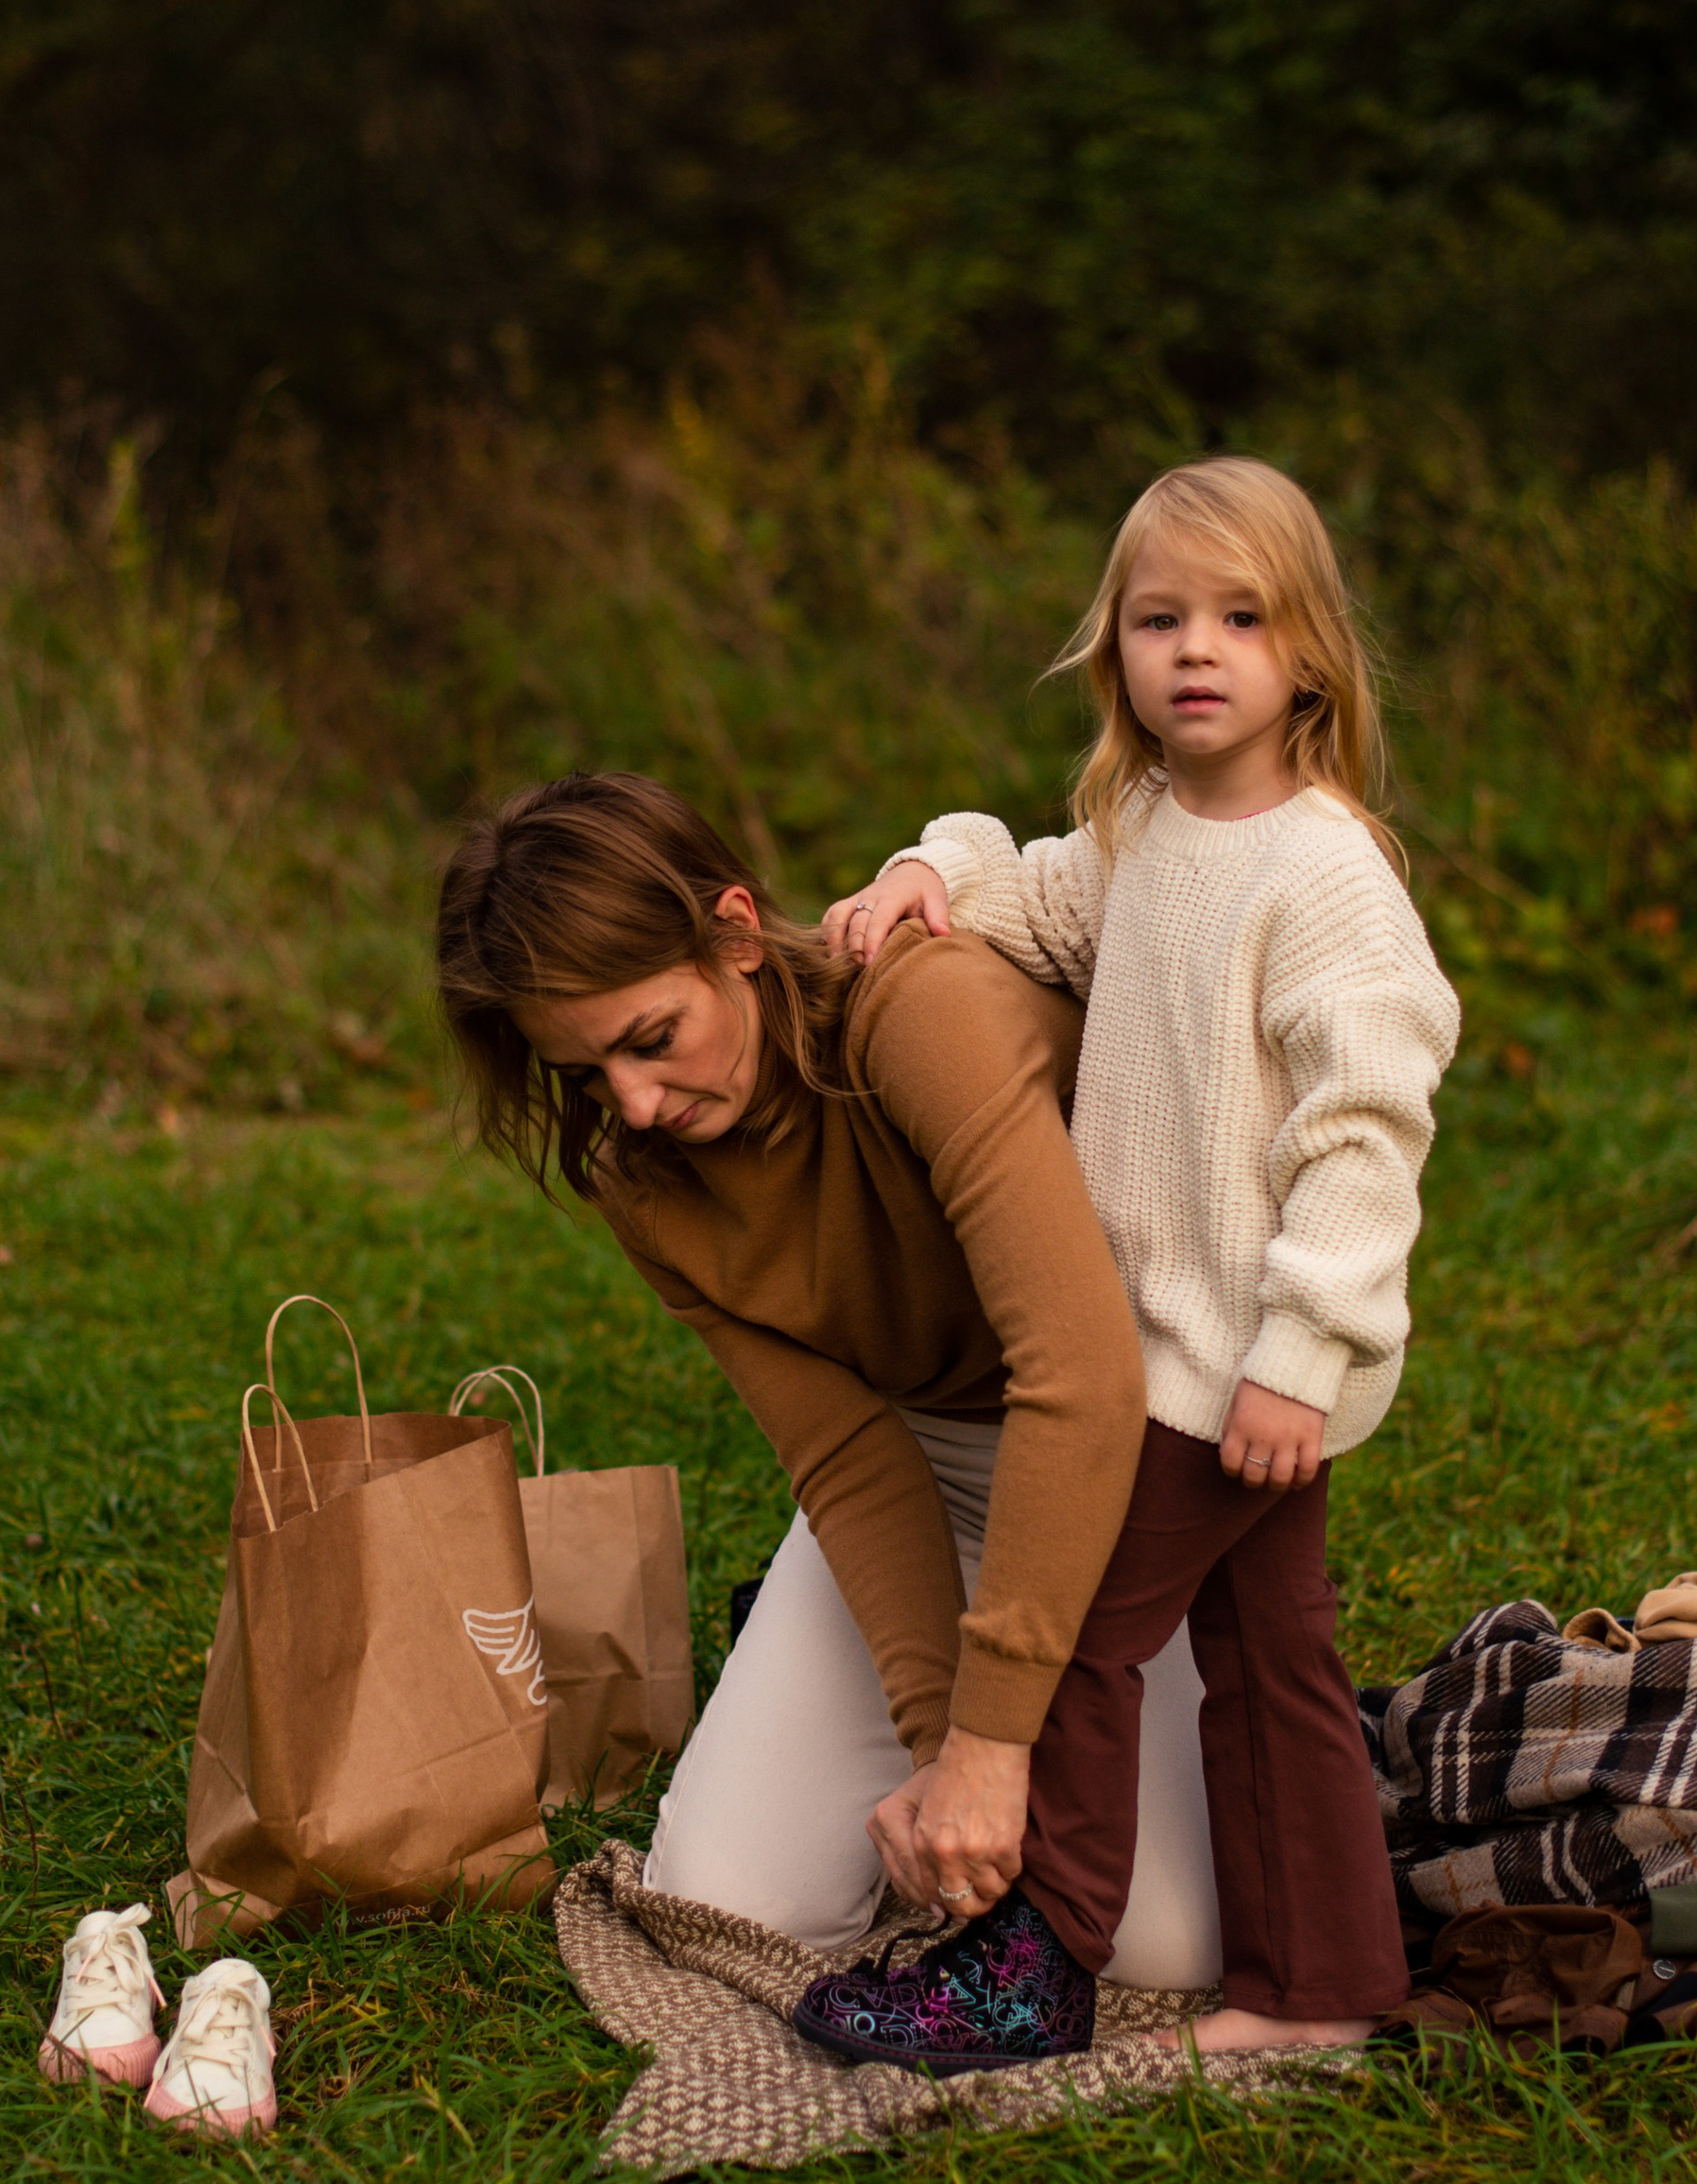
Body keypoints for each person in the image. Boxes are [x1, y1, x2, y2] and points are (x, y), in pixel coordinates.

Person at [800, 456, 1459, 2068]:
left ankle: (1038, 1959)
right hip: (1174, 1348)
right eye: (1161, 618)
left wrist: (1302, 1355)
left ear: (1308, 652)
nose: (1196, 650)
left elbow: (1368, 1128)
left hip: (1227, 1364)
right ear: (1117, 651)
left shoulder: (1321, 874)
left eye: (1240, 617)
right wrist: (923, 874)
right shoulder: (1148, 831)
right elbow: (1029, 896)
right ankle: (1323, 1982)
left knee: (1078, 1639)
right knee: (1271, 1660)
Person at [433, 771, 1226, 2021]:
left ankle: (1234, 1702)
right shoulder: (644, 1182)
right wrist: (936, 1754)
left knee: (1157, 1948)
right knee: (733, 1898)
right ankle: (976, 1692)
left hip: (1130, 1464)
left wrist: (992, 1744)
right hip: (930, 1464)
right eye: (586, 1075)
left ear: (736, 936)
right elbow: (850, 1458)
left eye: (650, 1039)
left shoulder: (921, 1015)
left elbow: (1083, 1380)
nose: (635, 1105)